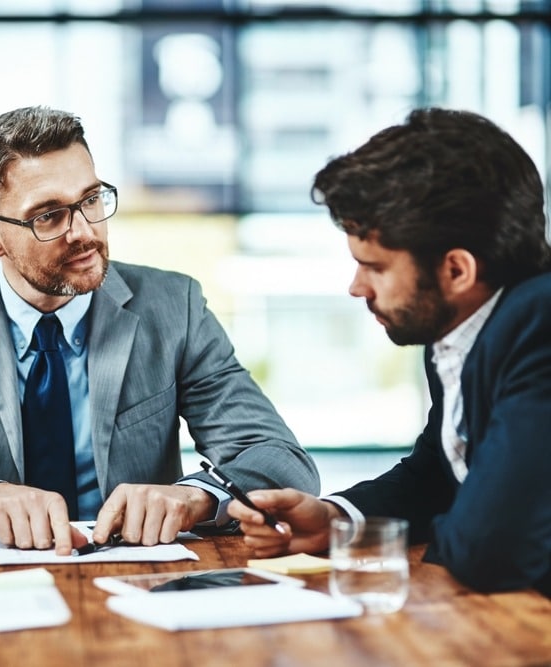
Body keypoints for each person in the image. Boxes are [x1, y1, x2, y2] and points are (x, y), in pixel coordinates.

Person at [0, 105, 319, 555]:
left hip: (139, 576)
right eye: (49, 215)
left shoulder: (173, 305)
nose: (84, 230)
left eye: (91, 200)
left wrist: (194, 498)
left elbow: (280, 460)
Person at [227, 108, 551, 597]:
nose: (356, 287)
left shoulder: (538, 324)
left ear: (456, 270)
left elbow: (489, 548)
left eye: (373, 267)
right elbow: (440, 474)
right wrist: (336, 519)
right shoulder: (462, 326)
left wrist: (447, 532)